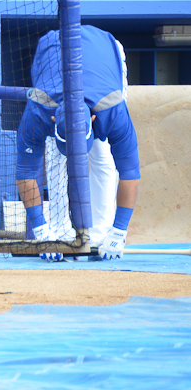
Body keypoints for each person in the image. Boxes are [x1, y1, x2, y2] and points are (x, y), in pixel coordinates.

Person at [15, 25, 140, 261]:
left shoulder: (113, 110)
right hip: (53, 52)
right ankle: (58, 233)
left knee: (103, 156)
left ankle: (101, 234)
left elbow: (130, 172)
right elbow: (25, 172)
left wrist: (119, 229)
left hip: (105, 51)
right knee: (55, 158)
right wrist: (41, 232)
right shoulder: (40, 110)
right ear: (52, 121)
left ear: (93, 120)